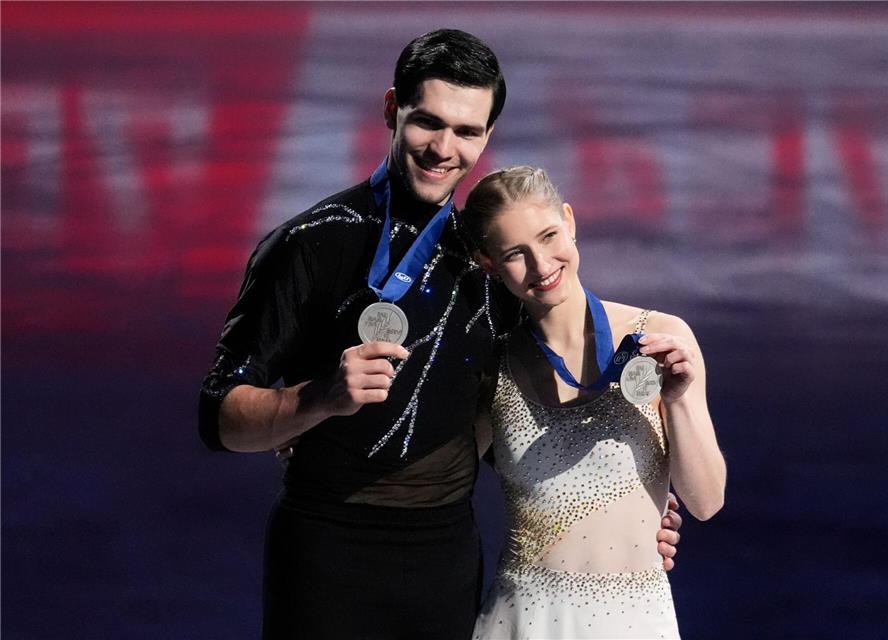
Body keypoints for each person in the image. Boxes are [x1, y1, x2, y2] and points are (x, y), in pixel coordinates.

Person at [198, 29, 682, 639]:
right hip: (325, 551)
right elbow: (219, 418)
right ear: (390, 108)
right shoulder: (308, 244)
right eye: (427, 122)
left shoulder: (489, 266)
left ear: (487, 136)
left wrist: (625, 517)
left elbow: (514, 420)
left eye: (467, 131)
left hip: (444, 560)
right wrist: (316, 399)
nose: (443, 149)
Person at [462, 166, 726, 639]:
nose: (542, 265)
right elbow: (438, 486)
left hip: (635, 618)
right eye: (516, 254)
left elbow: (706, 502)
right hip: (523, 619)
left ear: (570, 220)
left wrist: (679, 401)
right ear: (488, 262)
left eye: (548, 236)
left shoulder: (662, 337)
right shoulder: (490, 366)